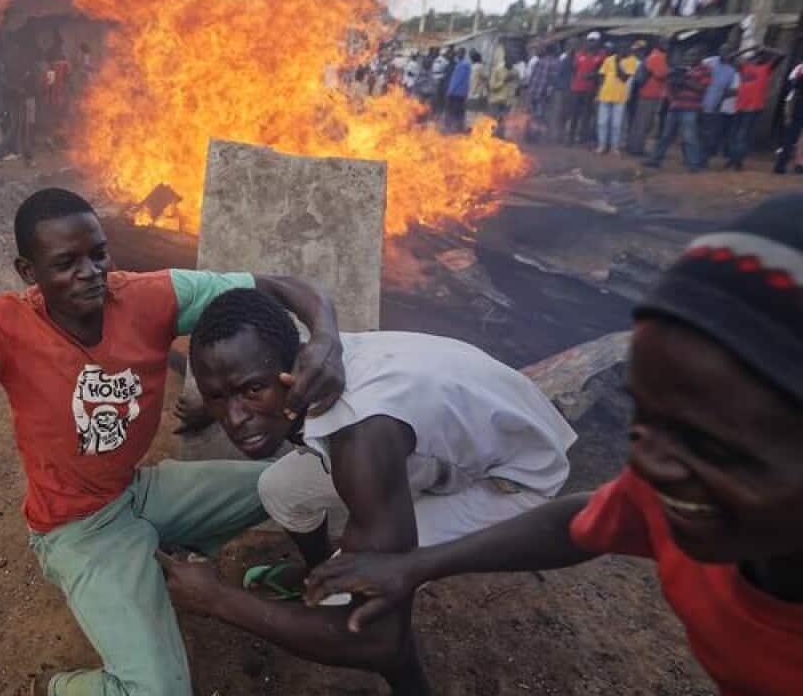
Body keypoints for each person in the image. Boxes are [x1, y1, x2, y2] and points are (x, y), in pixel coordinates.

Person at [0, 90, 348, 696]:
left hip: (140, 493)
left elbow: (285, 285)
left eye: (98, 254)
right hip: (77, 529)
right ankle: (65, 686)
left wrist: (324, 339)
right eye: (67, 262)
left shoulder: (149, 295)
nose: (91, 273)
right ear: (29, 274)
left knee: (300, 480)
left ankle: (317, 576)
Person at [305, 195, 803, 696]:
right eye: (645, 419)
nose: (645, 464)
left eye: (709, 443)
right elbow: (579, 523)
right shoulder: (679, 499)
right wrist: (415, 564)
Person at [160, 289, 573, 695]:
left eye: (252, 390)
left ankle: (412, 688)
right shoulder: (316, 361)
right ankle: (318, 572)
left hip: (510, 478)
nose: (234, 419)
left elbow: (378, 640)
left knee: (353, 613)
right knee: (280, 490)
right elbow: (269, 331)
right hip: (455, 440)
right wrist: (225, 397)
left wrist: (216, 598)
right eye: (218, 397)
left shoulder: (361, 439)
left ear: (294, 367)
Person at [646, 48, 711, 171]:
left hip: (691, 108)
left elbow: (702, 89)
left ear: (700, 57)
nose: (689, 58)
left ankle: (694, 164)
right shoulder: (682, 69)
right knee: (665, 136)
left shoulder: (705, 70)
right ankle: (655, 160)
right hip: (675, 105)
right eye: (688, 55)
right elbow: (670, 87)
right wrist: (674, 85)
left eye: (692, 55)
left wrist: (685, 81)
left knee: (689, 137)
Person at [728, 45, 785, 170]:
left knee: (742, 136)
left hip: (753, 108)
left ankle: (736, 161)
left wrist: (765, 49)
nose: (758, 58)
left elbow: (782, 54)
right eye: (756, 57)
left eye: (761, 57)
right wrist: (748, 49)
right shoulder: (744, 67)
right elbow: (730, 57)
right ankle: (733, 159)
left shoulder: (766, 69)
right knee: (734, 135)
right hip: (740, 106)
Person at [596, 40, 639, 155]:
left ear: (629, 49)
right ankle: (602, 145)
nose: (623, 50)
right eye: (621, 48)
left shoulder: (632, 61)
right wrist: (600, 90)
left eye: (626, 48)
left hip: (620, 97)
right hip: (605, 95)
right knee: (602, 123)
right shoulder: (609, 59)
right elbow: (601, 75)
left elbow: (624, 78)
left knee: (616, 124)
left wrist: (618, 64)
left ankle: (614, 148)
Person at [700, 44, 739, 167]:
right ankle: (692, 157)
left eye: (728, 51)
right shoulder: (708, 62)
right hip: (698, 102)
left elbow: (732, 90)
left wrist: (721, 99)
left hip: (715, 106)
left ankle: (703, 159)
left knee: (709, 135)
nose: (725, 53)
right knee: (696, 132)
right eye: (724, 50)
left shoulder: (731, 70)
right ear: (719, 50)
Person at [627, 40, 668, 156]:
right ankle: (636, 148)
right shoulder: (656, 57)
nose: (666, 45)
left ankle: (635, 146)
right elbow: (661, 75)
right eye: (664, 43)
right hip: (648, 94)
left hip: (649, 94)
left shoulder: (656, 56)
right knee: (643, 123)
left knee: (642, 122)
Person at [569, 33, 606, 146]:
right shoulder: (579, 54)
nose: (591, 43)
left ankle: (583, 138)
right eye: (590, 40)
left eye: (594, 41)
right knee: (575, 113)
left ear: (598, 42)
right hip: (577, 88)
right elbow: (574, 69)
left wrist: (592, 75)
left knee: (587, 115)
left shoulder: (601, 55)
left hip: (590, 90)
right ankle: (571, 137)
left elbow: (602, 72)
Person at [773, 60, 803, 174]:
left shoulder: (799, 69)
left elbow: (790, 90)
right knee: (791, 138)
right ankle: (792, 165)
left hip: (795, 106)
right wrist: (788, 113)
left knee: (790, 138)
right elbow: (790, 92)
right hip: (796, 107)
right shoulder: (799, 68)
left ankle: (792, 165)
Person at [525, 44, 558, 143]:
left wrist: (531, 92)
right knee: (537, 116)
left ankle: (536, 136)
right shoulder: (543, 62)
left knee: (538, 116)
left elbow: (551, 81)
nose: (538, 51)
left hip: (539, 94)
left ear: (547, 51)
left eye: (541, 49)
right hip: (540, 94)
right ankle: (533, 135)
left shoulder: (549, 62)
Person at [552, 38, 578, 144]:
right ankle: (559, 136)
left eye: (573, 45)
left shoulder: (576, 59)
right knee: (560, 114)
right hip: (563, 90)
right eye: (570, 45)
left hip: (573, 90)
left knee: (569, 114)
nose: (572, 47)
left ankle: (565, 137)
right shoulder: (564, 59)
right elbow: (559, 74)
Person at [488, 51, 519, 140]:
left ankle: (500, 138)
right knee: (493, 121)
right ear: (505, 59)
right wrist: (503, 81)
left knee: (503, 121)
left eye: (513, 60)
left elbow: (516, 86)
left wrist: (515, 95)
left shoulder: (515, 72)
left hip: (508, 102)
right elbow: (492, 86)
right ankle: (490, 138)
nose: (512, 62)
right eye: (510, 60)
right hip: (496, 100)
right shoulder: (497, 70)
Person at [445, 50, 471, 133]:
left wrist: (450, 91)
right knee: (459, 111)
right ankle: (458, 128)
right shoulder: (464, 64)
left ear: (463, 54)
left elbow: (457, 80)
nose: (457, 55)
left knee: (454, 111)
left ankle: (453, 129)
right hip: (461, 93)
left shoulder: (462, 65)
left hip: (456, 93)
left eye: (459, 53)